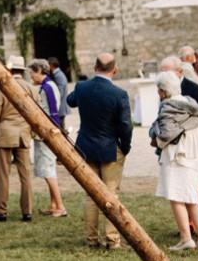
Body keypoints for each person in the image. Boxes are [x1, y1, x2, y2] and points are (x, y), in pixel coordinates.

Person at [66, 52, 132, 249]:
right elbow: (126, 125)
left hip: (85, 146)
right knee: (111, 195)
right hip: (110, 147)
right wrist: (125, 146)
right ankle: (112, 239)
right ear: (115, 69)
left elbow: (70, 101)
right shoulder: (119, 94)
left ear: (95, 67)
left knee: (90, 195)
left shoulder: (82, 87)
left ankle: (91, 239)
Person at [150, 71, 198, 250]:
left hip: (177, 156)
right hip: (195, 156)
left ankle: (186, 238)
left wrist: (155, 135)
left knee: (176, 197)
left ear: (162, 91)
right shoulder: (192, 105)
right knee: (192, 197)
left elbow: (165, 135)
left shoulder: (168, 107)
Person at [0, 56, 37, 222]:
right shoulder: (31, 88)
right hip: (23, 133)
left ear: (9, 70)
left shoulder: (2, 88)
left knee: (3, 174)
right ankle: (27, 211)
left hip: (5, 133)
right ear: (22, 71)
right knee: (26, 175)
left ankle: (1, 210)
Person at [28, 59, 67, 217]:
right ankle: (53, 204)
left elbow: (52, 113)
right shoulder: (47, 86)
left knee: (48, 169)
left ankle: (60, 206)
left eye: (32, 72)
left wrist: (51, 132)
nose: (31, 75)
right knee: (47, 168)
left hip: (47, 133)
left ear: (39, 71)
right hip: (46, 132)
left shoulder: (47, 88)